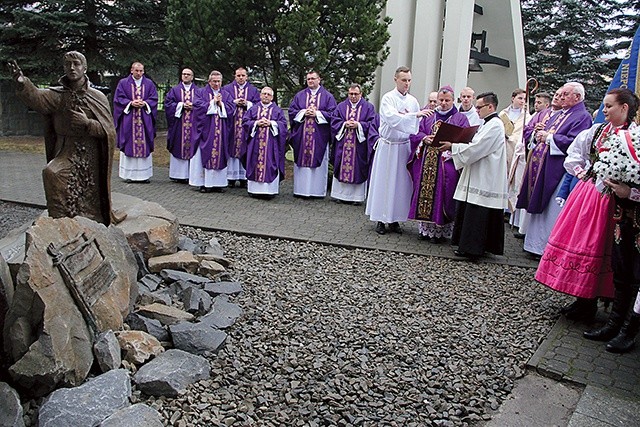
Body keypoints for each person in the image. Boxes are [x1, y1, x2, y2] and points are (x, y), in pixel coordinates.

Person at [536, 88, 638, 322]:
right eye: (604, 105)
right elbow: (575, 154)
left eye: (609, 106)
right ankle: (583, 299)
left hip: (613, 201)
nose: (604, 110)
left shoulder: (634, 137)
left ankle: (603, 303)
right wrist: (582, 172)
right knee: (581, 243)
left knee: (599, 247)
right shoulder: (598, 130)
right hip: (588, 194)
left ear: (624, 108)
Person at [9, 51, 121, 225]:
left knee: (88, 192)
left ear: (85, 68)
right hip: (66, 149)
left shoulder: (96, 97)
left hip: (90, 153)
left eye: (76, 63)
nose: (71, 67)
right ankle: (59, 221)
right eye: (67, 64)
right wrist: (22, 82)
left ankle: (89, 218)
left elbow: (109, 132)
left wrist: (87, 123)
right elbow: (37, 98)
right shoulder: (58, 95)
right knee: (52, 172)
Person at [516, 82, 592, 256]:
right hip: (544, 165)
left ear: (577, 98)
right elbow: (542, 135)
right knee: (541, 208)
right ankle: (533, 244)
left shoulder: (582, 116)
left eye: (566, 94)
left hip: (558, 171)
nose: (561, 97)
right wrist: (538, 135)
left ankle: (545, 248)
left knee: (552, 209)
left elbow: (575, 143)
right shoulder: (560, 114)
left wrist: (550, 138)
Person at [440, 92, 508, 258]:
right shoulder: (487, 123)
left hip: (485, 176)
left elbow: (477, 148)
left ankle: (472, 249)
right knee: (472, 210)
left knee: (477, 213)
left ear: (490, 106)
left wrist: (453, 147)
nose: (476, 110)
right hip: (478, 172)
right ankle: (472, 246)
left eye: (479, 107)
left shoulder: (495, 125)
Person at [365, 66, 431, 235]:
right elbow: (392, 118)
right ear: (396, 80)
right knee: (384, 183)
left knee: (400, 185)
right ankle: (380, 218)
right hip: (388, 146)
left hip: (403, 147)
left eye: (409, 80)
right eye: (403, 80)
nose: (407, 83)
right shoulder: (388, 98)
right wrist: (413, 116)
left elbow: (415, 128)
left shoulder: (413, 101)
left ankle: (395, 220)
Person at [407, 85, 470, 242]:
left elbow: (466, 139)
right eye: (440, 100)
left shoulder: (460, 118)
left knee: (444, 195)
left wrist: (452, 146)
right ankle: (425, 229)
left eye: (447, 100)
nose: (443, 103)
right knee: (425, 194)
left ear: (453, 100)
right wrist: (424, 138)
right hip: (426, 160)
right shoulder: (429, 115)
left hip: (446, 162)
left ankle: (440, 231)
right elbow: (417, 132)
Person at [513, 90, 557, 239]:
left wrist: (542, 134)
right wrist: (534, 132)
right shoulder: (537, 116)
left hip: (546, 161)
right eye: (535, 102)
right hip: (532, 157)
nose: (536, 105)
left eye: (539, 102)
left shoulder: (554, 115)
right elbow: (527, 131)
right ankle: (522, 227)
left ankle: (528, 231)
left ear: (547, 104)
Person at [288, 71, 337, 198]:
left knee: (318, 162)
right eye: (308, 79)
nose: (310, 81)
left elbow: (334, 115)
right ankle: (301, 190)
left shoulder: (327, 96)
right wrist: (304, 112)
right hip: (302, 136)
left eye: (313, 78)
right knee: (302, 162)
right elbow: (292, 111)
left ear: (319, 79)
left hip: (319, 136)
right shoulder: (300, 95)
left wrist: (318, 114)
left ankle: (317, 191)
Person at [329, 83, 377, 204]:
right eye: (351, 94)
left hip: (359, 145)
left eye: (356, 94)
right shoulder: (341, 106)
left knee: (358, 168)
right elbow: (334, 121)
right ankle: (339, 195)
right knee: (341, 166)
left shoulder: (368, 107)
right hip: (343, 144)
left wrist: (359, 125)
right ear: (348, 93)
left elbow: (372, 123)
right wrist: (344, 124)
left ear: (361, 94)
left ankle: (357, 197)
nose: (353, 96)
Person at [190, 70, 236, 193]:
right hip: (205, 131)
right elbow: (197, 106)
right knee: (204, 154)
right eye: (214, 81)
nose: (216, 84)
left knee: (219, 154)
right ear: (209, 81)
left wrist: (221, 105)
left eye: (218, 81)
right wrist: (212, 103)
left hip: (221, 132)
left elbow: (231, 109)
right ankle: (204, 183)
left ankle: (218, 184)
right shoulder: (200, 92)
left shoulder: (226, 95)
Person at [113, 62, 158, 183]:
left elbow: (154, 98)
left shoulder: (149, 83)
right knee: (129, 143)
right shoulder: (123, 83)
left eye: (141, 71)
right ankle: (129, 175)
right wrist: (130, 103)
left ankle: (144, 176)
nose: (139, 73)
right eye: (137, 71)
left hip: (144, 119)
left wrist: (145, 103)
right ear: (131, 70)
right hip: (129, 120)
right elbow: (118, 99)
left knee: (145, 144)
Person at [241, 87, 287, 198]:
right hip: (255, 144)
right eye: (264, 94)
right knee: (254, 163)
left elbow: (283, 125)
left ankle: (269, 192)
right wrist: (256, 123)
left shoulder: (277, 110)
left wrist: (271, 123)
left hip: (271, 145)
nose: (266, 96)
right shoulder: (253, 109)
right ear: (260, 95)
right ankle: (254, 190)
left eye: (268, 94)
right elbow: (245, 121)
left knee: (270, 164)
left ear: (272, 97)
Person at [222, 67, 261, 188]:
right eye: (238, 75)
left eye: (243, 75)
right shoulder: (227, 89)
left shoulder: (253, 90)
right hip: (232, 124)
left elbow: (259, 106)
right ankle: (231, 177)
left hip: (246, 127)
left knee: (246, 148)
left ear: (247, 77)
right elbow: (223, 103)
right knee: (231, 147)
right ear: (235, 76)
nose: (241, 78)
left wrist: (247, 104)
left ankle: (244, 177)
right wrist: (234, 102)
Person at [500, 89, 531, 229]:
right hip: (502, 148)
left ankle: (509, 210)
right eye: (520, 98)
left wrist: (512, 138)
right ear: (513, 98)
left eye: (524, 99)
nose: (522, 101)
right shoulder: (503, 114)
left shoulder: (527, 116)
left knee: (512, 179)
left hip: (515, 150)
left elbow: (523, 134)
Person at [165, 68, 197, 183]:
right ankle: (177, 174)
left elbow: (203, 105)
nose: (186, 76)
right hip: (179, 125)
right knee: (178, 144)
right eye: (184, 74)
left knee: (193, 146)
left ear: (192, 77)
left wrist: (194, 106)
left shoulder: (198, 91)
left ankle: (190, 174)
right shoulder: (174, 90)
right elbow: (168, 104)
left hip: (193, 125)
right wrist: (181, 106)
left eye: (188, 74)